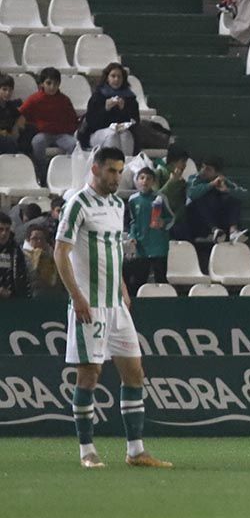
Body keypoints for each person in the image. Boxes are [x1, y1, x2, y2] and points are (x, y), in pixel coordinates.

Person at [54, 147, 172, 469]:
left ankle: (136, 451)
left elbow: (112, 250)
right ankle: (87, 452)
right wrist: (76, 297)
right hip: (88, 304)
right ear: (95, 169)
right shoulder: (78, 204)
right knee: (89, 377)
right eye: (111, 171)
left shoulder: (118, 204)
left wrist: (121, 286)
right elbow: (60, 253)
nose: (117, 177)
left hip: (115, 305)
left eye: (120, 171)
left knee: (135, 373)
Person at [19, 67, 77, 184]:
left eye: (55, 84)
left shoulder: (64, 100)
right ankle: (43, 174)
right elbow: (20, 113)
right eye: (48, 83)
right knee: (37, 142)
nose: (52, 87)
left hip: (61, 134)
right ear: (42, 84)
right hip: (43, 133)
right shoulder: (34, 99)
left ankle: (66, 176)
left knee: (74, 145)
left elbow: (73, 120)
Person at [124, 168, 173, 295]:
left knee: (161, 280)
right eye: (142, 178)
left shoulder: (160, 198)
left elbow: (171, 218)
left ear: (153, 182)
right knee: (139, 280)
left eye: (148, 178)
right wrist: (132, 236)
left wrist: (163, 223)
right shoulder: (133, 200)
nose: (145, 181)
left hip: (159, 246)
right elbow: (132, 222)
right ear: (137, 181)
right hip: (142, 246)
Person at [185, 157, 248, 243]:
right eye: (203, 167)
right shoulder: (195, 179)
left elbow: (244, 194)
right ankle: (214, 231)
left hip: (219, 220)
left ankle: (233, 232)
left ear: (217, 173)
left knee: (233, 199)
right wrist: (211, 184)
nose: (203, 171)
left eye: (208, 169)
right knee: (200, 199)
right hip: (199, 223)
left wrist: (227, 190)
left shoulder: (222, 180)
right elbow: (191, 194)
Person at [80, 63, 139, 156]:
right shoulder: (98, 96)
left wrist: (124, 109)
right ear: (107, 78)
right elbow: (91, 122)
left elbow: (135, 122)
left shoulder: (130, 98)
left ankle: (126, 165)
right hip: (98, 133)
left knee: (126, 136)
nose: (116, 79)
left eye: (119, 77)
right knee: (112, 135)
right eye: (113, 76)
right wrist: (105, 109)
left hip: (122, 132)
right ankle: (111, 166)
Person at [155, 146, 190, 235]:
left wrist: (174, 219)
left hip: (177, 222)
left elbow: (181, 206)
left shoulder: (182, 182)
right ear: (173, 162)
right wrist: (171, 182)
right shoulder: (158, 174)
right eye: (182, 162)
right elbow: (155, 198)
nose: (184, 166)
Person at [23, 223, 61, 298]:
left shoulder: (53, 256)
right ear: (28, 240)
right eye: (35, 239)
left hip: (53, 296)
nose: (39, 241)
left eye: (42, 239)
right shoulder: (22, 256)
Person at [0, 212, 31, 300]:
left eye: (7, 229)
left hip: (12, 298)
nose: (4, 233)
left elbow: (22, 274)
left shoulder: (15, 250)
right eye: (0, 229)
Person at [0, 73, 25, 154]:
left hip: (9, 135)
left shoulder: (10, 105)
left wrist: (16, 127)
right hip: (3, 137)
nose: (7, 93)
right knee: (9, 140)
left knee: (31, 129)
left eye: (10, 90)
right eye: (4, 89)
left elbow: (21, 116)